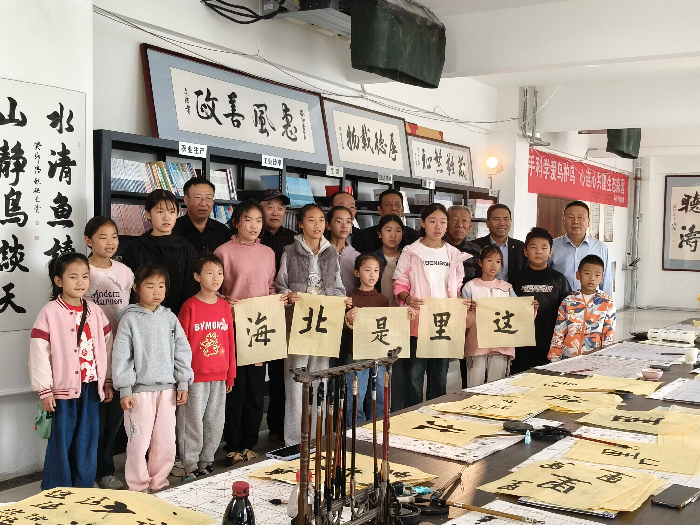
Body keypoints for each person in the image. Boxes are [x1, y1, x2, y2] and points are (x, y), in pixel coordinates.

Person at [29, 252, 113, 490]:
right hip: (61, 391)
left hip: (91, 388)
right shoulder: (49, 312)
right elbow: (38, 352)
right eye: (73, 277)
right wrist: (44, 390)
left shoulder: (95, 311)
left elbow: (107, 346)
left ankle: (83, 488)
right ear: (58, 281)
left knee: (87, 439)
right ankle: (57, 489)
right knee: (61, 440)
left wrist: (107, 380)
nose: (80, 282)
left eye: (85, 276)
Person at [112, 263, 193, 492]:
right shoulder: (129, 319)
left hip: (167, 390)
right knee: (138, 442)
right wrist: (125, 389)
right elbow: (122, 356)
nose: (156, 291)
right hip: (139, 393)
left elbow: (182, 350)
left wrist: (183, 382)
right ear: (137, 288)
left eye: (161, 286)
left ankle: (159, 483)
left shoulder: (170, 317)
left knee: (165, 441)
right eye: (150, 286)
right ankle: (138, 486)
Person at [274, 203, 346, 445]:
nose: (317, 225)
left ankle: (317, 436)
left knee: (320, 379)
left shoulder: (331, 253)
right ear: (301, 224)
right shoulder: (289, 252)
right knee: (296, 381)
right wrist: (288, 296)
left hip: (324, 324)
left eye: (321, 220)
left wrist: (341, 301)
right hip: (298, 323)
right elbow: (280, 284)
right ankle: (295, 440)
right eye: (311, 220)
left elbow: (338, 287)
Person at [214, 200, 278, 465]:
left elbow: (270, 287)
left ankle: (249, 444)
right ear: (236, 223)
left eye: (258, 221)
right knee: (235, 389)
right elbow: (214, 288)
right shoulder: (223, 251)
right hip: (233, 327)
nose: (254, 226)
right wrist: (224, 300)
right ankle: (233, 444)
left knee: (255, 388)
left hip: (260, 327)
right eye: (248, 220)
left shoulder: (268, 253)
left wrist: (278, 299)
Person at [393, 203, 469, 407]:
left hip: (443, 322)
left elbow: (457, 285)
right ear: (422, 223)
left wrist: (459, 301)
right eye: (433, 221)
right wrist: (408, 299)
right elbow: (399, 283)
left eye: (443, 222)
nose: (438, 226)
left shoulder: (453, 253)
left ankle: (437, 414)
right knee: (414, 375)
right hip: (418, 321)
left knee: (439, 374)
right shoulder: (411, 251)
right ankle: (413, 416)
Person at [84, 216, 134, 490]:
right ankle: (85, 470)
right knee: (92, 417)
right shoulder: (82, 270)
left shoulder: (125, 272)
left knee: (113, 416)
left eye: (114, 236)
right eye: (102, 237)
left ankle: (105, 470)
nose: (110, 242)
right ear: (88, 241)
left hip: (119, 353)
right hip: (88, 354)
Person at [177, 254, 235, 480]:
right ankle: (190, 464)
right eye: (210, 273)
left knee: (214, 420)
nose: (216, 278)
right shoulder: (189, 306)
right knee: (192, 421)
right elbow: (180, 345)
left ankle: (206, 461)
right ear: (197, 277)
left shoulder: (224, 307)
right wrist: (182, 377)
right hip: (195, 377)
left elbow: (230, 342)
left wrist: (230, 375)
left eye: (220, 273)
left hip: (219, 375)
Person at [462, 246, 535, 387]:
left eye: (498, 261)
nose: (494, 265)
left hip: (502, 343)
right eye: (489, 260)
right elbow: (462, 317)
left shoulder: (507, 288)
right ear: (480, 262)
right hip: (477, 343)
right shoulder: (470, 287)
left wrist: (530, 307)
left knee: (497, 383)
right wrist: (467, 309)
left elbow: (518, 312)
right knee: (475, 382)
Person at [121, 189, 198, 315]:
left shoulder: (187, 248)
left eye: (172, 212)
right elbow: (129, 288)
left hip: (180, 317)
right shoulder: (135, 248)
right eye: (160, 211)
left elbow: (193, 288)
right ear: (148, 214)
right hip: (143, 316)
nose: (166, 217)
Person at [258, 188, 295, 444]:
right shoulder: (250, 235)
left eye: (280, 207)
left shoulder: (293, 240)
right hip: (255, 315)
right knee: (253, 375)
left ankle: (279, 427)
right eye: (269, 206)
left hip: (285, 315)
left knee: (281, 375)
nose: (275, 212)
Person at [509, 228, 571, 374]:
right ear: (525, 252)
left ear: (550, 252)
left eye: (544, 248)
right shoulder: (516, 278)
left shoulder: (559, 280)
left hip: (550, 342)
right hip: (521, 343)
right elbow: (508, 308)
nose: (538, 252)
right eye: (533, 247)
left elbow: (567, 311)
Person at [343, 254, 389, 424]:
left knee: (379, 396)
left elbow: (390, 328)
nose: (372, 275)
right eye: (367, 270)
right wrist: (349, 320)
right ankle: (356, 432)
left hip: (379, 353)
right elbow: (345, 329)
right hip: (356, 353)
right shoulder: (350, 299)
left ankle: (378, 431)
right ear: (357, 273)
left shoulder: (383, 300)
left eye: (376, 270)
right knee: (356, 397)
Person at [548, 255, 616, 360]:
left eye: (597, 275)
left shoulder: (607, 302)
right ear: (578, 275)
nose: (592, 278)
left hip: (594, 359)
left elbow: (609, 333)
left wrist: (605, 359)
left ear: (602, 278)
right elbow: (559, 331)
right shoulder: (568, 301)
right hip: (568, 358)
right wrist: (554, 357)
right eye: (587, 273)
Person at [371, 214, 406, 410]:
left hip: (402, 320)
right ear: (379, 234)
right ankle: (377, 414)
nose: (393, 235)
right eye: (388, 230)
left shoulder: (409, 257)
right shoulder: (372, 258)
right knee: (377, 369)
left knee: (399, 371)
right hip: (377, 320)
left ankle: (398, 411)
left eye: (398, 231)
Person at [550, 200, 613, 295]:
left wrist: (608, 303)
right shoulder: (552, 246)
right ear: (563, 221)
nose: (575, 221)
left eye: (580, 217)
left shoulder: (600, 248)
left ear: (588, 222)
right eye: (570, 217)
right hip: (559, 302)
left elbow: (606, 282)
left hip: (591, 303)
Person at [173, 178, 232, 254]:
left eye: (208, 198)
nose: (203, 203)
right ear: (186, 200)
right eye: (197, 197)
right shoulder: (173, 229)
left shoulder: (224, 232)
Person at [473, 204, 527, 281]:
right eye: (496, 219)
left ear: (511, 221)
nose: (502, 223)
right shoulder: (474, 246)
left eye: (506, 219)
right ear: (487, 223)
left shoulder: (521, 247)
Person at [326, 205, 360, 296]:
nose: (344, 225)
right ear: (328, 225)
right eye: (339, 221)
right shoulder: (319, 253)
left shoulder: (357, 257)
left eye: (348, 222)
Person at [444, 205, 480, 284]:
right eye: (455, 220)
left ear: (470, 226)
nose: (460, 225)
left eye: (464, 220)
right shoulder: (437, 247)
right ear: (446, 223)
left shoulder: (476, 250)